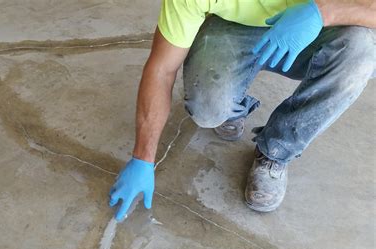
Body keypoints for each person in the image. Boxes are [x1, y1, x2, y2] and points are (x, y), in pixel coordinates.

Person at [109, 0, 376, 220]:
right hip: (233, 28)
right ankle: (232, 108)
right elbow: (161, 70)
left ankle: (276, 150)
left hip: (316, 22)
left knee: (360, 51)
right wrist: (142, 158)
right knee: (208, 107)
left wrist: (324, 11)